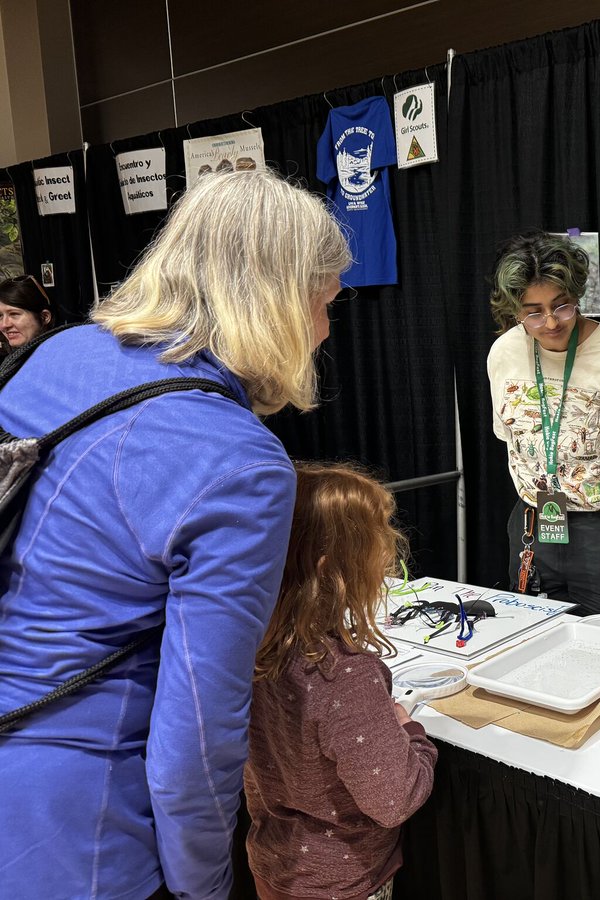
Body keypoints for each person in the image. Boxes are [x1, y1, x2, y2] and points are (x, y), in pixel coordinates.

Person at [0, 169, 350, 899]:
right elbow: (194, 737)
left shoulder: (54, 354)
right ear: (282, 301)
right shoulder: (238, 461)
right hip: (78, 821)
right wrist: (203, 888)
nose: (325, 329)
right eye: (326, 303)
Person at [245, 462, 437, 900]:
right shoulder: (347, 676)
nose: (390, 550)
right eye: (379, 539)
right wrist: (412, 734)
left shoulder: (244, 649)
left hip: (273, 866)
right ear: (333, 569)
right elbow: (395, 799)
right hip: (343, 883)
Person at [486, 231, 600, 621]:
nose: (551, 322)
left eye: (562, 306)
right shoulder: (504, 353)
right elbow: (510, 439)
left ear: (577, 296)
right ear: (514, 310)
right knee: (533, 634)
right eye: (534, 312)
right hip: (532, 522)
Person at [0, 274, 54, 353]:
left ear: (44, 317)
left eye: (14, 314)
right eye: (0, 316)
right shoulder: (15, 358)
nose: (4, 325)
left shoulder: (64, 355)